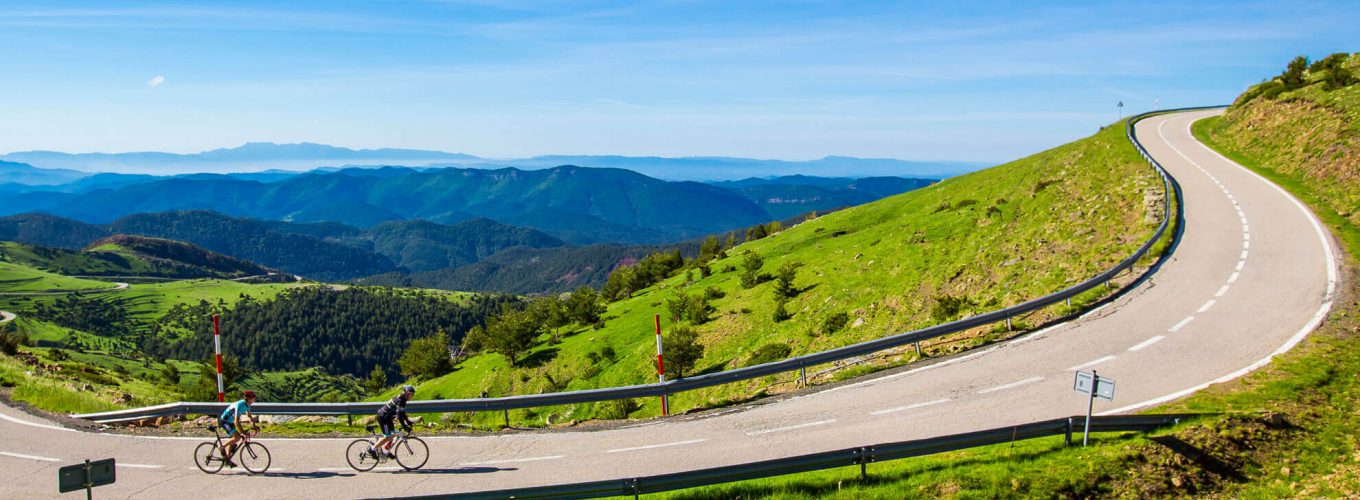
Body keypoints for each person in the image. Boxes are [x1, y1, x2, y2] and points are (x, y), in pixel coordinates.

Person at [370, 385, 415, 459]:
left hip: (387, 417)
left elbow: (402, 412)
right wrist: (405, 427)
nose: (412, 396)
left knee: (393, 434)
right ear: (407, 393)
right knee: (387, 436)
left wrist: (408, 421)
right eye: (411, 394)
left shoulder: (403, 399)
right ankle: (372, 449)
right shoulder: (400, 401)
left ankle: (386, 451)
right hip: (382, 417)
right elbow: (399, 416)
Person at [219, 390, 257, 467]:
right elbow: (236, 421)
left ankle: (228, 459)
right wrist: (242, 432)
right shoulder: (240, 405)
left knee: (234, 442)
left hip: (230, 422)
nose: (254, 400)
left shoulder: (247, 405)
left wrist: (254, 425)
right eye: (253, 398)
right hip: (225, 421)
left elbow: (249, 416)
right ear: (249, 398)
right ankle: (222, 447)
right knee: (237, 437)